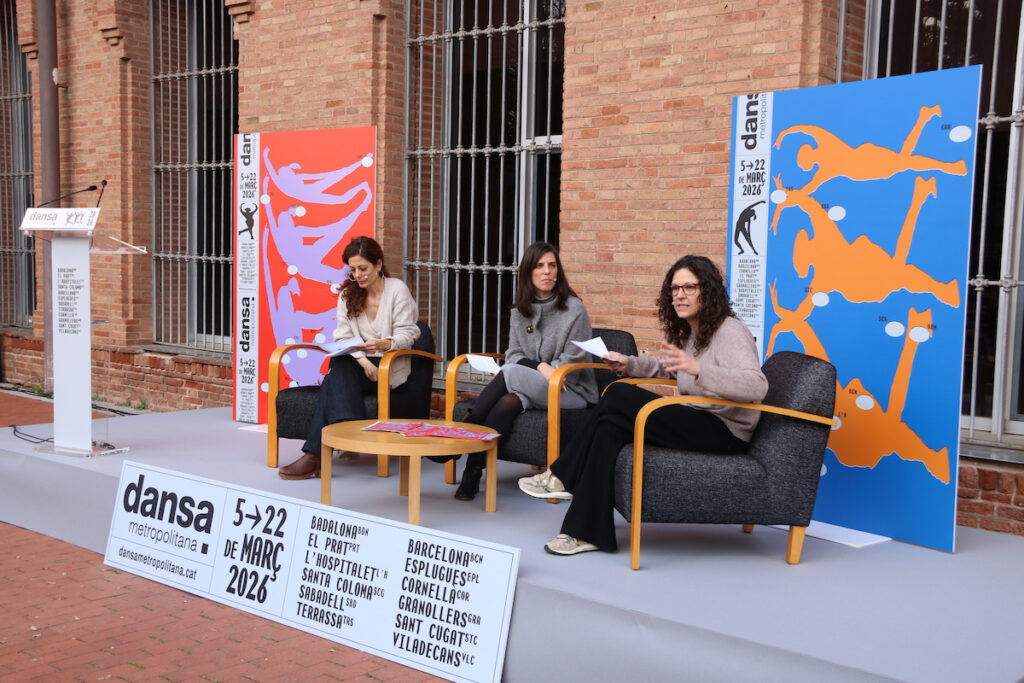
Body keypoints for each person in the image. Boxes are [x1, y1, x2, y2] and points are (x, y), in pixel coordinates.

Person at [519, 255, 769, 555]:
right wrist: (628, 364)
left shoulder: (729, 330)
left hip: (725, 431)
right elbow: (667, 367)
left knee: (619, 395)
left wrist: (699, 369)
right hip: (698, 419)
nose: (680, 295)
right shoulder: (693, 330)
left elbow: (757, 385)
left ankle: (560, 474)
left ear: (708, 291)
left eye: (689, 287)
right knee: (609, 427)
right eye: (675, 288)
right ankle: (585, 532)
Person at [452, 242, 599, 501]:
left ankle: (465, 430)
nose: (547, 272)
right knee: (509, 401)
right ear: (528, 273)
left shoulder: (574, 309)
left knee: (509, 372)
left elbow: (572, 362)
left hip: (570, 390)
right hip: (532, 386)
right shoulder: (520, 311)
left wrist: (538, 370)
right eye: (539, 266)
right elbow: (514, 354)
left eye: (552, 265)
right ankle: (472, 471)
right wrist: (539, 366)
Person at [278, 236, 420, 479]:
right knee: (340, 362)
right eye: (353, 270)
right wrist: (364, 362)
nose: (358, 275)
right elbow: (343, 337)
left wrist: (385, 343)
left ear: (378, 264)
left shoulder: (397, 290)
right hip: (358, 365)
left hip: (389, 366)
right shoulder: (348, 294)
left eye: (363, 268)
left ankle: (318, 454)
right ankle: (339, 436)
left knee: (333, 377)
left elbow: (410, 333)